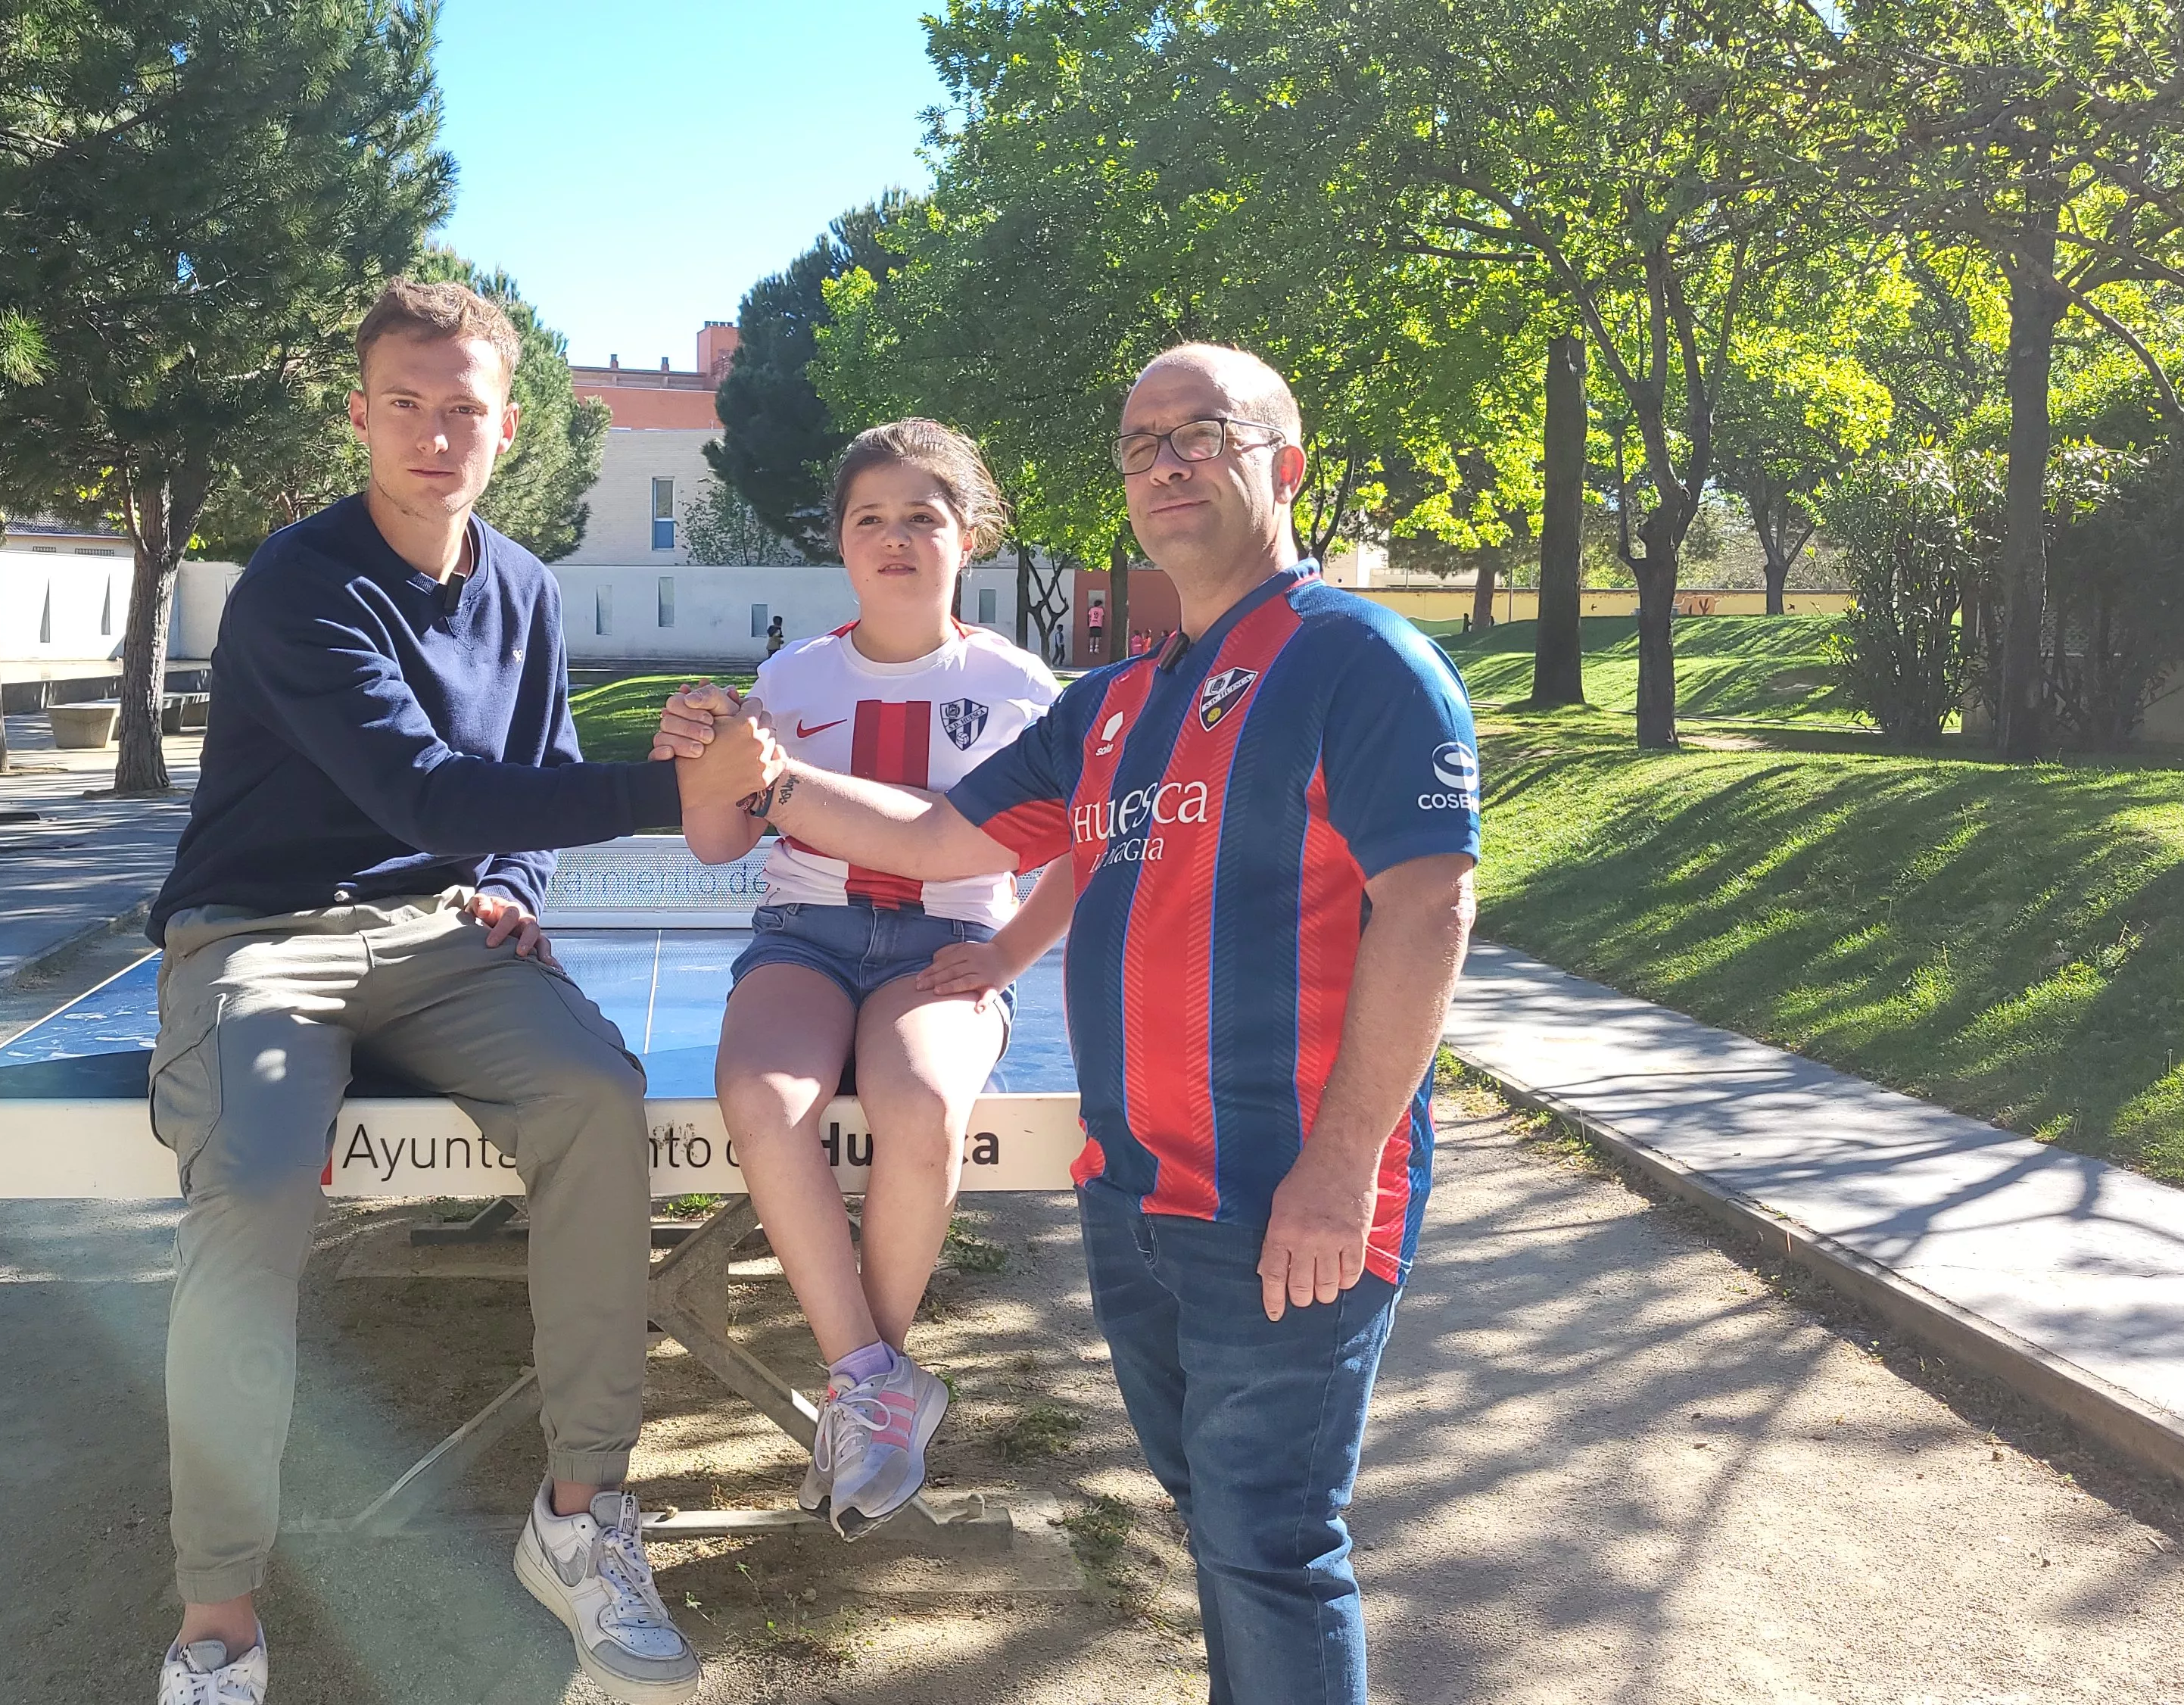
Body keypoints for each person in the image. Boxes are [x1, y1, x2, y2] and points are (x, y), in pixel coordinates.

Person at [660, 344, 1478, 1705]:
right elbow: (934, 835)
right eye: (1141, 442)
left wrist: (1342, 1170)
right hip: (1134, 1187)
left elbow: (1432, 916)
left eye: (1202, 434)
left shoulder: (1365, 663)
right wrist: (772, 776)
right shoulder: (1112, 705)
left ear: (1286, 463)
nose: (1165, 462)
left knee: (1273, 1541)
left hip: (1289, 1199)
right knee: (1214, 1524)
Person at [143, 279, 709, 1705]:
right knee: (259, 1185)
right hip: (261, 937)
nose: (433, 433)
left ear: (507, 428)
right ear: (359, 416)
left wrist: (515, 880)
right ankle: (219, 1616)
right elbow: (422, 785)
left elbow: (514, 787)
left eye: (463, 408)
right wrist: (676, 792)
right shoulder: (297, 582)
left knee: (598, 1097)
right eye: (405, 403)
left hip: (446, 926)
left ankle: (578, 1520)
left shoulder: (523, 586)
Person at [664, 420, 1072, 1540]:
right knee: (762, 1099)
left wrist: (1010, 955)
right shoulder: (791, 677)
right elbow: (717, 844)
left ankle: (865, 1395)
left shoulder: (1017, 684)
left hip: (945, 942)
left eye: (922, 517)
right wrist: (699, 759)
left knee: (923, 1104)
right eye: (869, 519)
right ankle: (876, 1387)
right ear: (839, 543)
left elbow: (1081, 843)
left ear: (971, 536)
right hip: (805, 934)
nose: (895, 538)